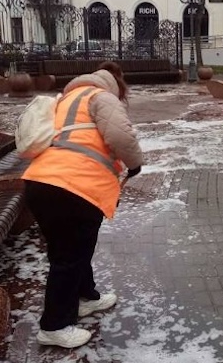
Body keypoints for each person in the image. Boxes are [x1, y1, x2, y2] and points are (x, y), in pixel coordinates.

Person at [22, 61, 143, 348]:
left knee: (71, 249)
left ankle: (85, 297)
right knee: (69, 256)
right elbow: (120, 135)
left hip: (41, 182)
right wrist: (135, 164)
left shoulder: (66, 98)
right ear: (116, 84)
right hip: (73, 185)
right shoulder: (101, 96)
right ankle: (54, 326)